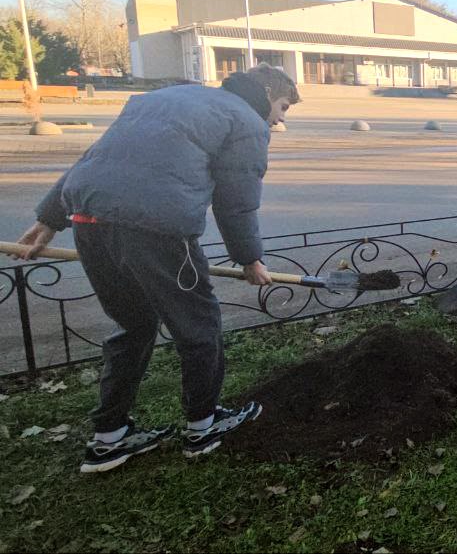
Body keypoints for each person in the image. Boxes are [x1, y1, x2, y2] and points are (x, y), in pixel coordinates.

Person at [13, 63, 300, 474]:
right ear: (267, 91)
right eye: (283, 106)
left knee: (134, 325)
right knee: (199, 328)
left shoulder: (160, 99)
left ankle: (108, 438)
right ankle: (203, 425)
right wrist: (250, 258)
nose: (280, 118)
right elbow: (237, 200)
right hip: (157, 230)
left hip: (89, 222)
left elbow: (94, 158)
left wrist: (48, 220)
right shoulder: (246, 121)